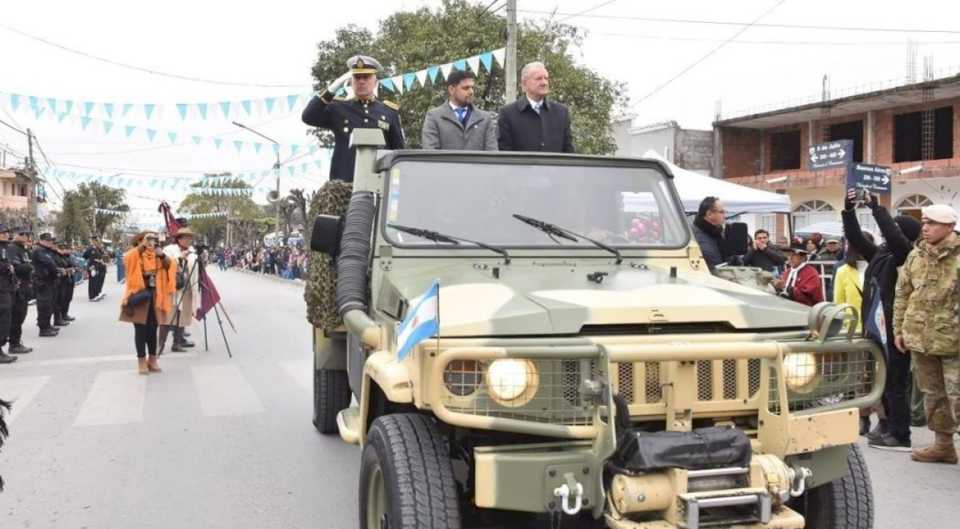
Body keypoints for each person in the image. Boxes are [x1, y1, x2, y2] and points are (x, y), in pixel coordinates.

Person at [842, 189, 921, 449]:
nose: (887, 233)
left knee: (896, 383)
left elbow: (894, 235)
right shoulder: (881, 254)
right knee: (882, 382)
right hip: (875, 328)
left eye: (894, 229)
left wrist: (877, 208)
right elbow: (855, 237)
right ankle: (886, 425)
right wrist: (849, 211)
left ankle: (901, 434)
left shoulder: (904, 253)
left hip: (893, 329)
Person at [893, 204, 960, 464]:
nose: (925, 227)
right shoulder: (916, 255)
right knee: (933, 395)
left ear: (950, 227)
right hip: (920, 337)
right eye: (924, 222)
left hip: (954, 340)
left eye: (932, 223)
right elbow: (903, 293)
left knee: (958, 396)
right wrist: (899, 329)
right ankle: (943, 446)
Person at [301, 54, 404, 183]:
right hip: (344, 186)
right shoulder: (338, 108)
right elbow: (308, 116)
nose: (361, 81)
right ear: (351, 81)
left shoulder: (389, 112)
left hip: (379, 184)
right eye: (357, 77)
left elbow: (398, 152)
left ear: (375, 82)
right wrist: (333, 87)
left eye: (366, 77)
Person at [120, 231, 176, 375]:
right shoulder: (134, 254)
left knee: (153, 329)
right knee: (140, 330)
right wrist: (141, 247)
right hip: (139, 296)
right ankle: (141, 361)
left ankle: (152, 359)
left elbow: (171, 266)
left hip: (156, 296)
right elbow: (127, 259)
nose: (151, 242)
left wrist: (161, 254)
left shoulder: (158, 255)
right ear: (140, 241)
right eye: (148, 240)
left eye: (153, 240)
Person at [497, 61, 574, 153]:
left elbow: (569, 151)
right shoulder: (508, 114)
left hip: (555, 167)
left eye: (546, 78)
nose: (544, 82)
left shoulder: (562, 112)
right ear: (524, 84)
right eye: (538, 79)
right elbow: (505, 153)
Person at [421, 69, 498, 151]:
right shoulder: (434, 117)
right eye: (466, 88)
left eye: (472, 87)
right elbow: (431, 154)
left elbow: (492, 155)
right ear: (451, 90)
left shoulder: (485, 119)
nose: (471, 91)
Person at [161, 228, 198, 353]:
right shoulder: (169, 250)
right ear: (179, 239)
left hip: (187, 287)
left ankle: (177, 343)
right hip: (173, 287)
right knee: (168, 317)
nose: (188, 241)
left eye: (189, 238)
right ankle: (160, 345)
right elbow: (165, 264)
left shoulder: (192, 252)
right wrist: (180, 258)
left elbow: (195, 270)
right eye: (185, 238)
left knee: (182, 317)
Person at [6, 227, 34, 356]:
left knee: (21, 316)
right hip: (17, 287)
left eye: (27, 234)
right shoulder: (11, 248)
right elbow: (14, 267)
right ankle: (14, 344)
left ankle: (16, 342)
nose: (26, 237)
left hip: (25, 286)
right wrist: (29, 267)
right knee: (16, 317)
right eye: (22, 234)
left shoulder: (23, 249)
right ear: (15, 235)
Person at [31, 233, 59, 337]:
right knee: (44, 306)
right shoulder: (39, 250)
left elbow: (52, 263)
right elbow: (50, 263)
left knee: (49, 305)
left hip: (49, 281)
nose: (51, 242)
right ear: (42, 240)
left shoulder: (47, 251)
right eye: (48, 240)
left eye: (51, 240)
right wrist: (56, 270)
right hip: (42, 282)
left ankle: (47, 325)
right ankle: (43, 328)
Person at [691, 196, 729, 272]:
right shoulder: (696, 236)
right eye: (721, 212)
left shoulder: (715, 233)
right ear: (709, 214)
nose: (725, 215)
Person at [0, 226, 18, 364]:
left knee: (6, 318)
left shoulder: (4, 247)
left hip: (6, 287)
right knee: (3, 318)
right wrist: (7, 267)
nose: (6, 234)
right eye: (3, 233)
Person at [83, 235, 108, 301]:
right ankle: (92, 296)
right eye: (96, 241)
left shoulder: (97, 248)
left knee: (96, 281)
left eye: (97, 241)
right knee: (92, 281)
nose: (97, 242)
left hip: (97, 266)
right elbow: (84, 256)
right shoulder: (90, 248)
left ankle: (96, 294)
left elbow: (101, 256)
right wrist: (90, 262)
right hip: (92, 266)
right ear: (93, 241)